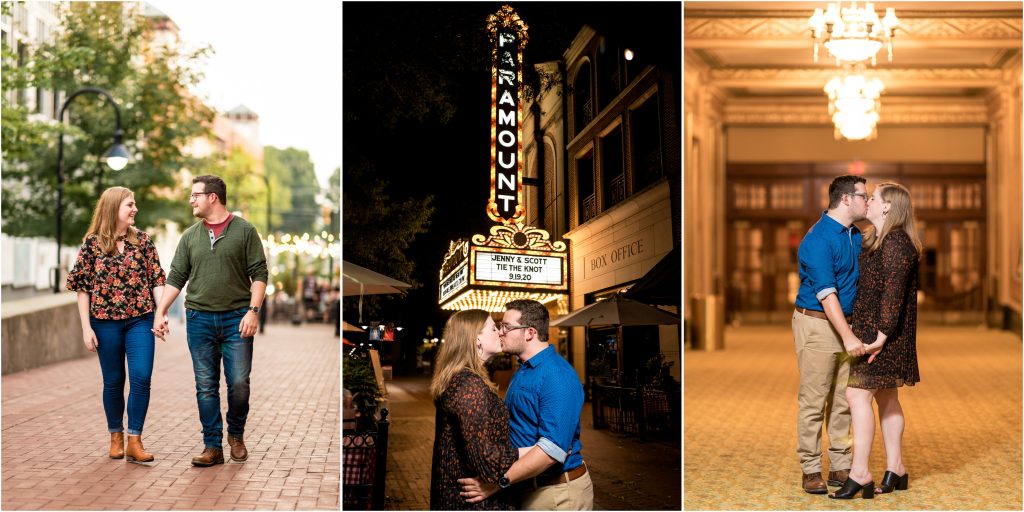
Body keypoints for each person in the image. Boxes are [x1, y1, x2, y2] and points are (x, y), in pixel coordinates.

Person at [153, 175, 268, 467]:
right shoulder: (190, 236)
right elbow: (176, 277)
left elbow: (259, 274)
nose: (191, 200)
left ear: (213, 197)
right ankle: (212, 446)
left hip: (236, 320)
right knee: (205, 385)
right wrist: (161, 310)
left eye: (196, 195)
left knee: (239, 383)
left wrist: (253, 312)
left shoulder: (244, 231)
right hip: (199, 318)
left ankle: (237, 434)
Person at [829, 182, 921, 499]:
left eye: (873, 198)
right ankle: (897, 468)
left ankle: (860, 473)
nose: (866, 202)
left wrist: (880, 338)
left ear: (886, 207)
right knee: (887, 399)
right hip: (877, 331)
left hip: (884, 335)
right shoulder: (878, 239)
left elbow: (892, 296)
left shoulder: (897, 243)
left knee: (856, 396)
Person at [459, 299, 593, 510]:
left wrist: (499, 482)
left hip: (555, 494)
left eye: (507, 327)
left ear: (530, 332)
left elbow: (551, 451)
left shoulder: (557, 376)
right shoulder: (525, 368)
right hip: (526, 485)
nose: (501, 332)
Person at [66, 186, 166, 463]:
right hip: (104, 323)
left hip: (140, 319)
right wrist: (86, 327)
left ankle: (135, 440)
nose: (135, 209)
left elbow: (157, 280)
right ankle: (116, 437)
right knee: (113, 381)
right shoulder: (91, 245)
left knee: (141, 377)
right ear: (113, 209)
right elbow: (82, 288)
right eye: (130, 205)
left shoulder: (144, 242)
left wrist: (161, 314)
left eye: (134, 205)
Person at [792, 174, 869, 494]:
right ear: (847, 199)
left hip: (845, 323)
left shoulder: (854, 234)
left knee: (843, 400)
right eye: (865, 195)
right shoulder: (818, 238)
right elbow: (827, 294)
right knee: (814, 400)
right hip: (818, 324)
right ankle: (810, 468)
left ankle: (840, 464)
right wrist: (848, 337)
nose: (868, 200)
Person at [430, 309, 519, 510]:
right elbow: (485, 460)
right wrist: (532, 451)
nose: (500, 332)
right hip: (472, 501)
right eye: (493, 328)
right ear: (476, 339)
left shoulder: (462, 378)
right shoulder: (469, 384)